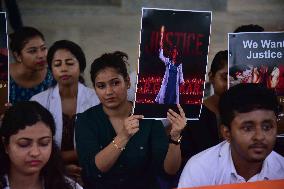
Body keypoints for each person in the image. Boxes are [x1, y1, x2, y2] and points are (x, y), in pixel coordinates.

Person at [75, 51, 186, 189]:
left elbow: (169, 171)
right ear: (95, 88)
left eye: (115, 83)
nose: (109, 92)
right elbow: (93, 171)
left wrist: (175, 138)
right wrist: (123, 136)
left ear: (127, 82)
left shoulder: (148, 117)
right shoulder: (86, 120)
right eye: (101, 86)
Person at [178, 83, 284, 188]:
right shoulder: (200, 169)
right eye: (247, 128)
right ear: (227, 133)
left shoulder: (281, 170)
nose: (260, 136)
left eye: (267, 127)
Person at [31, 40, 100, 182]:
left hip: (93, 168)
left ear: (80, 67)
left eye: (69, 63)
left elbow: (103, 143)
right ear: (51, 69)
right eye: (57, 64)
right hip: (48, 169)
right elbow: (34, 147)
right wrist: (60, 166)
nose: (63, 68)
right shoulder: (38, 102)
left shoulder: (97, 99)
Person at [0, 101, 82, 189]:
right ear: (6, 145)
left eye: (44, 143)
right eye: (24, 144)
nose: (35, 153)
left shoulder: (68, 186)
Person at [181, 50, 228, 161]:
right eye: (225, 78)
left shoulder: (247, 113)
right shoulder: (193, 113)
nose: (230, 84)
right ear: (211, 77)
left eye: (236, 79)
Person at [9, 26, 55, 105]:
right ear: (18, 56)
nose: (41, 55)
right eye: (32, 51)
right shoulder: (4, 76)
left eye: (43, 48)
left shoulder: (53, 76)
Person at [155, 26, 184, 104]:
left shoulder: (179, 64)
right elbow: (161, 56)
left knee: (173, 99)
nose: (174, 53)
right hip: (168, 83)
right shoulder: (168, 61)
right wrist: (161, 45)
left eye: (175, 52)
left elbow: (181, 75)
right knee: (165, 97)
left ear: (177, 53)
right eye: (173, 52)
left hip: (175, 85)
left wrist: (182, 82)